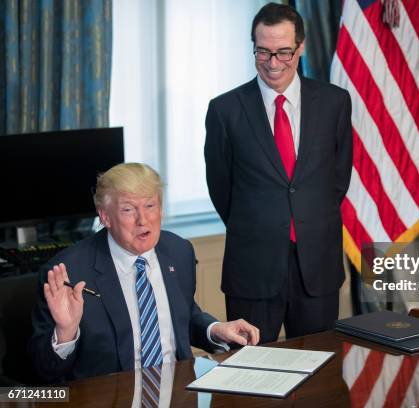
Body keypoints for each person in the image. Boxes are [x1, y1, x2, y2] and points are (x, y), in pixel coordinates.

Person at [29, 163, 259, 382]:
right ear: (105, 216)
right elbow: (44, 371)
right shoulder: (67, 273)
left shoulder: (179, 251)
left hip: (179, 390)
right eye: (128, 210)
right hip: (107, 396)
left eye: (150, 206)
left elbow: (182, 315)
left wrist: (215, 329)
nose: (143, 220)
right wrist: (65, 333)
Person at [204, 3, 352, 343]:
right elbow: (220, 188)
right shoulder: (225, 110)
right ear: (253, 46)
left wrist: (303, 219)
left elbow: (338, 179)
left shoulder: (335, 102)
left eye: (284, 52)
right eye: (264, 52)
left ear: (301, 47)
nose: (273, 64)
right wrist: (262, 224)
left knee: (320, 378)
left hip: (317, 268)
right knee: (251, 379)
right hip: (253, 268)